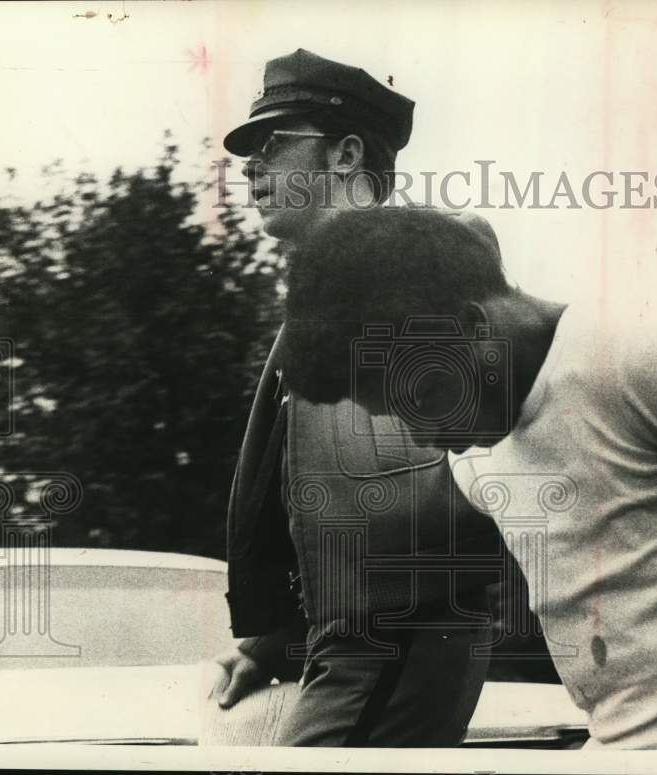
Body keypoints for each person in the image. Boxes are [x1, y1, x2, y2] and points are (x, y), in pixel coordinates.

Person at [277, 205, 657, 748]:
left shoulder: (648, 350)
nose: (422, 437)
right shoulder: (473, 455)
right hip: (619, 749)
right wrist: (266, 642)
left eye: (421, 397)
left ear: (470, 328)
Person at [211, 49, 504, 747]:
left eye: (272, 144)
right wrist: (271, 643)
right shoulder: (325, 300)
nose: (249, 167)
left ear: (345, 155)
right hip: (355, 641)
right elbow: (328, 502)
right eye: (249, 152)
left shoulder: (427, 259)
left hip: (396, 636)